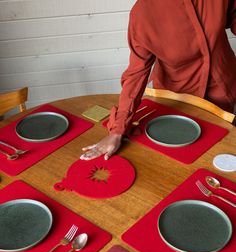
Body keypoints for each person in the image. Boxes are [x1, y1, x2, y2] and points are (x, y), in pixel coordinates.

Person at [80, 0, 236, 161]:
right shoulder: (143, 14)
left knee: (219, 156)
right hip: (176, 100)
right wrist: (117, 130)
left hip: (223, 88)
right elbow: (136, 73)